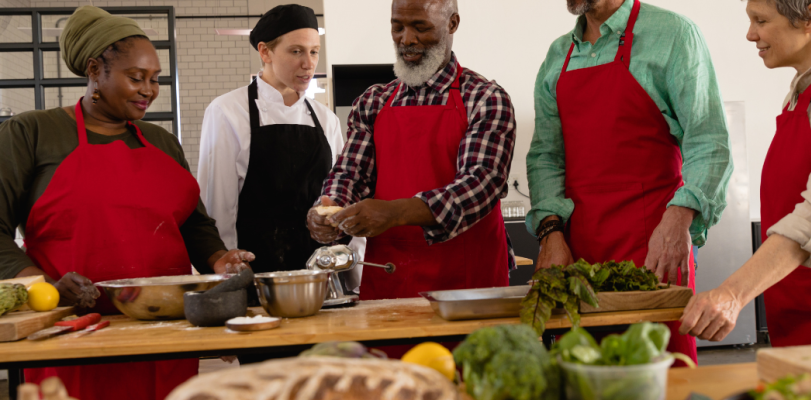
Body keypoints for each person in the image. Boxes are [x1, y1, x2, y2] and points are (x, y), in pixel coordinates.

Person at [0, 6, 252, 400]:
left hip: (162, 334)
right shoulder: (33, 133)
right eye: (136, 78)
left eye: (155, 80)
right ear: (94, 70)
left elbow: (194, 225)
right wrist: (42, 285)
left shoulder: (162, 142)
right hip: (73, 335)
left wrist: (219, 259)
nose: (149, 90)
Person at [526, 0, 734, 364]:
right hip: (577, 257)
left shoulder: (672, 34)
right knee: (582, 378)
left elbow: (708, 140)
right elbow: (546, 156)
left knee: (661, 376)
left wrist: (680, 217)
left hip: (655, 251)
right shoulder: (558, 53)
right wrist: (551, 232)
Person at [306, 0, 517, 301]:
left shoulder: (484, 98)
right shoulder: (373, 101)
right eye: (397, 26)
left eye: (421, 27)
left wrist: (394, 213)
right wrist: (329, 210)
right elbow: (350, 174)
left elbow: (480, 183)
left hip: (468, 281)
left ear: (452, 24)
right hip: (391, 275)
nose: (406, 39)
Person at [681, 0, 811, 347]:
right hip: (795, 316)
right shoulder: (805, 89)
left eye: (760, 20)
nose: (750, 34)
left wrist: (732, 293)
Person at [198, 5, 361, 289]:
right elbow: (218, 207)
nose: (309, 63)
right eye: (296, 51)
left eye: (314, 51)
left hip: (319, 276)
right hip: (255, 276)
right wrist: (226, 278)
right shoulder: (227, 111)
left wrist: (351, 275)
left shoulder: (326, 120)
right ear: (265, 52)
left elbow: (340, 199)